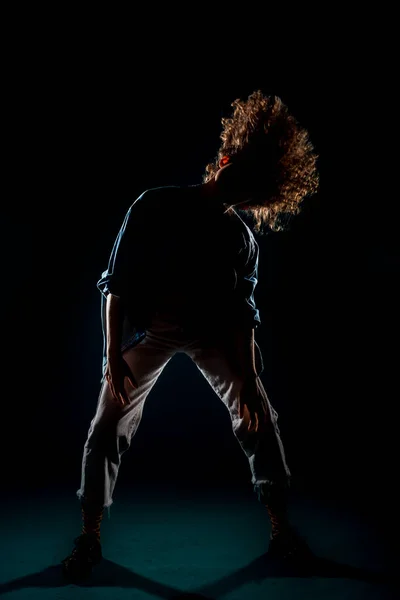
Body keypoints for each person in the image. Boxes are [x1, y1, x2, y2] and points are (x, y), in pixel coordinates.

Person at [62, 90, 319, 582]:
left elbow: (244, 314)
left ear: (257, 196)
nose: (236, 189)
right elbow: (115, 285)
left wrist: (245, 378)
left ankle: (281, 529)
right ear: (223, 160)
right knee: (107, 420)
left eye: (249, 187)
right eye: (236, 172)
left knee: (259, 412)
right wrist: (111, 354)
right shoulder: (154, 206)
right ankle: (88, 536)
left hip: (212, 337)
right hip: (151, 332)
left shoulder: (240, 240)